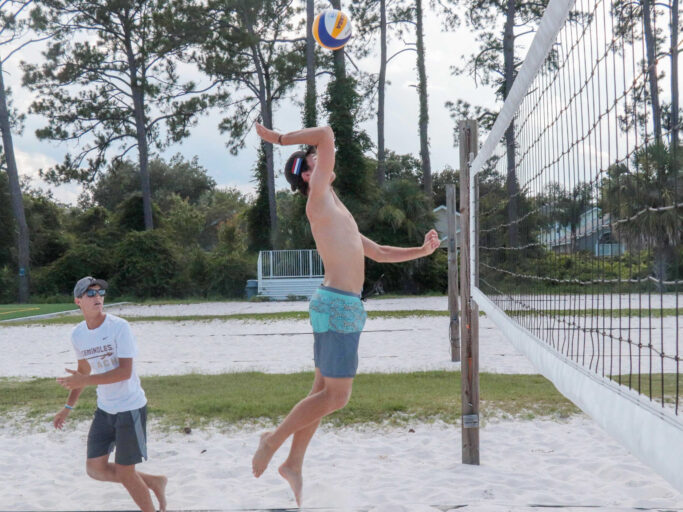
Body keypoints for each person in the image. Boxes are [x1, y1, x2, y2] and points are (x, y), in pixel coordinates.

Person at [252, 122, 441, 506]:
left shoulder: (335, 205)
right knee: (337, 397)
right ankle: (272, 441)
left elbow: (378, 251)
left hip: (337, 304)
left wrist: (420, 251)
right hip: (338, 305)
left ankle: (293, 464)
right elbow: (324, 133)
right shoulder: (317, 196)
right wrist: (276, 140)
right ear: (308, 174)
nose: (321, 159)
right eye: (314, 160)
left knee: (321, 393)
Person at [54, 276, 167, 512]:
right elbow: (82, 372)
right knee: (94, 469)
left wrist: (84, 379)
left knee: (126, 473)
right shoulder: (78, 335)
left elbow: (125, 372)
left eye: (100, 293)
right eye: (90, 294)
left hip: (130, 407)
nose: (98, 297)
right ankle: (154, 481)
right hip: (105, 409)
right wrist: (68, 407)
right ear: (78, 301)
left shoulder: (119, 327)